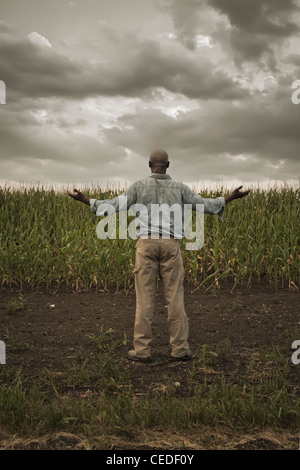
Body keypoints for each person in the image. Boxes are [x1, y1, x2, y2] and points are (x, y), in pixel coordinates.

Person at [68, 149, 250, 363]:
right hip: (171, 245)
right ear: (168, 165)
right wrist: (231, 197)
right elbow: (206, 206)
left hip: (146, 244)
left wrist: (86, 200)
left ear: (149, 164)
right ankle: (180, 350)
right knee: (175, 299)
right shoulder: (179, 188)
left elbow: (115, 205)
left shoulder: (138, 186)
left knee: (145, 300)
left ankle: (142, 351)